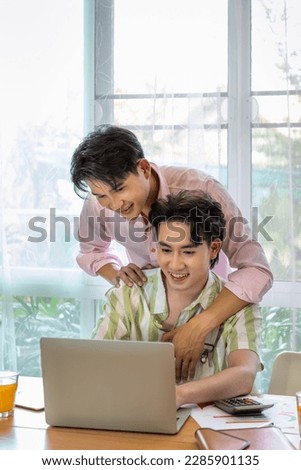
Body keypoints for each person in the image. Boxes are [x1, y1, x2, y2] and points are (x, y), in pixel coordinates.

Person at [70, 124, 272, 381]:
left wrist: (200, 325)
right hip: (149, 313)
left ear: (143, 168)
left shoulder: (201, 189)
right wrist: (119, 276)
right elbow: (91, 250)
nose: (114, 204)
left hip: (211, 312)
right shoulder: (99, 203)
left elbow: (256, 269)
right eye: (101, 195)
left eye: (120, 189)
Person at [92, 191, 262, 407]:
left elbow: (244, 374)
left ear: (213, 249)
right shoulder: (128, 292)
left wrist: (179, 395)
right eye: (165, 250)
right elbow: (96, 363)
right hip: (141, 418)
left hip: (217, 429)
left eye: (188, 252)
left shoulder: (237, 301)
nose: (175, 264)